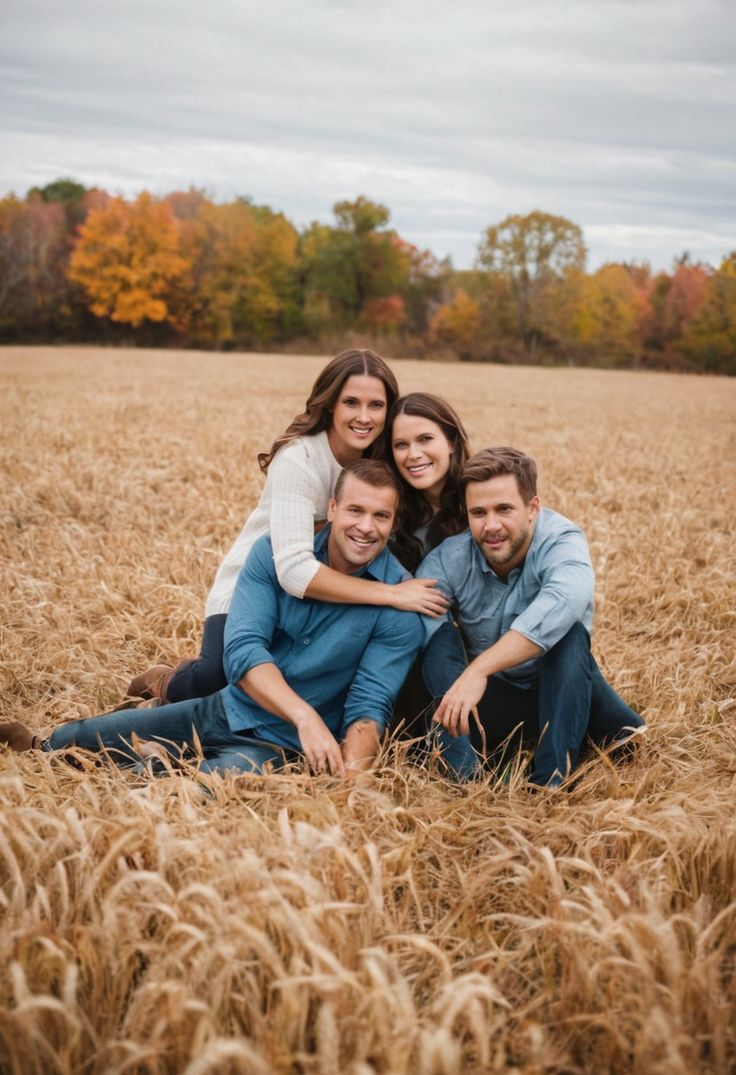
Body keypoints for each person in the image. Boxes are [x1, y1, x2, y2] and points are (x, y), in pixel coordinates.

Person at [1, 461, 424, 778]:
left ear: (393, 521)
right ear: (332, 509)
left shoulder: (400, 608)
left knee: (184, 790)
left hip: (279, 749)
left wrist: (352, 783)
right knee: (76, 738)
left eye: (380, 516)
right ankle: (42, 746)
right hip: (224, 708)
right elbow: (242, 652)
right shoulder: (274, 554)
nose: (365, 527)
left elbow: (369, 705)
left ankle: (146, 770)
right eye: (355, 511)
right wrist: (305, 715)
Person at [128, 350, 447, 705]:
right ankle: (164, 683)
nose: (363, 416)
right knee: (220, 676)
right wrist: (392, 594)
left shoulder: (381, 460)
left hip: (334, 595)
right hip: (260, 582)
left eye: (376, 405)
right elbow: (293, 572)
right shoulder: (300, 459)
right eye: (351, 402)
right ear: (330, 405)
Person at [416, 447, 645, 787]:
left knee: (624, 735)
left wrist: (479, 668)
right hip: (495, 699)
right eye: (478, 512)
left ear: (532, 508)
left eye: (504, 509)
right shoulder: (450, 558)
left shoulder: (561, 539)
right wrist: (462, 682)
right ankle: (464, 769)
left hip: (562, 686)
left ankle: (549, 782)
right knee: (435, 634)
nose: (491, 525)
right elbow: (423, 625)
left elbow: (566, 599)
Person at [387, 393, 471, 572]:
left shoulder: (481, 499)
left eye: (425, 439)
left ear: (451, 443)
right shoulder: (391, 513)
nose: (413, 454)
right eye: (401, 444)